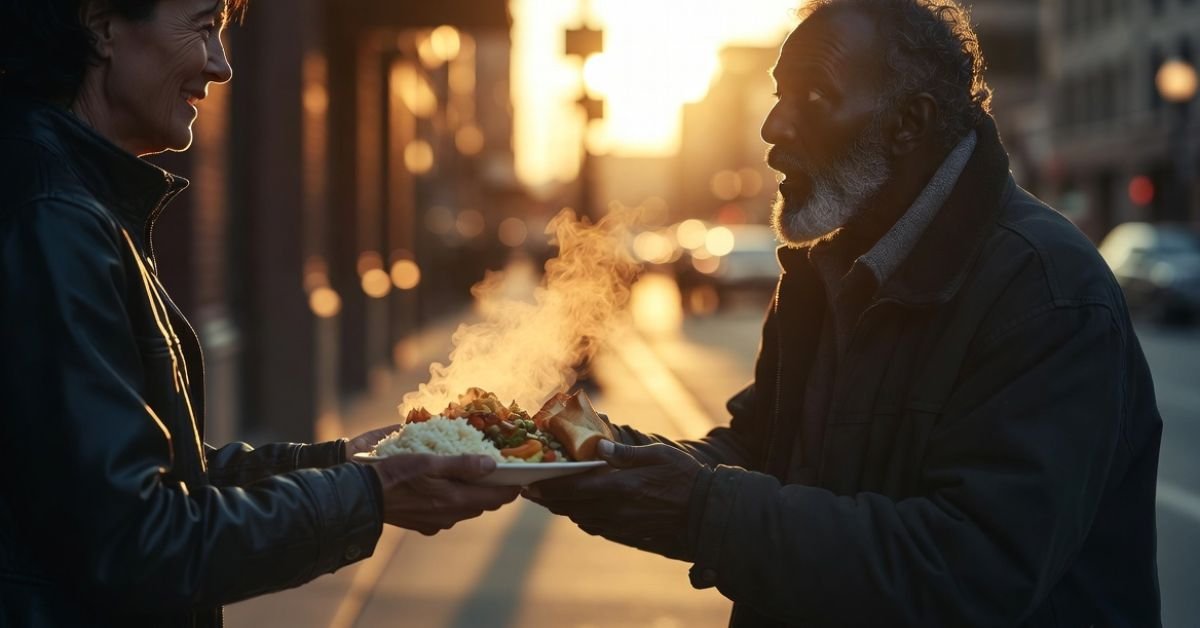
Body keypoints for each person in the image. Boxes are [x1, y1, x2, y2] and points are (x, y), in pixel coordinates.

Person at [526, 1, 1164, 626]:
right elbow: (757, 452)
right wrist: (583, 459)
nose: (773, 127)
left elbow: (974, 570)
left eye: (812, 97)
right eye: (778, 95)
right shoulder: (828, 266)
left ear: (908, 122)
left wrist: (700, 510)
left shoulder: (1045, 291)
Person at [0, 1, 519, 625]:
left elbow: (141, 477)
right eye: (202, 26)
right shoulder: (54, 219)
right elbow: (142, 540)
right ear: (103, 26)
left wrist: (339, 466)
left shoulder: (74, 200)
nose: (220, 66)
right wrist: (374, 493)